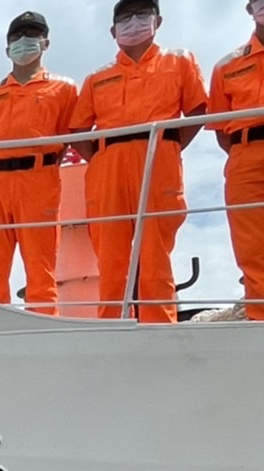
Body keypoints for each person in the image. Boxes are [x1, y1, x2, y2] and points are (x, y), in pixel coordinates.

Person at [71, 1, 208, 322]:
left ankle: (158, 326)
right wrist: (102, 158)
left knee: (155, 254)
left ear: (157, 21)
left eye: (142, 14)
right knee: (110, 257)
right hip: (108, 169)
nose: (134, 22)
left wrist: (169, 147)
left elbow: (198, 111)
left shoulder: (179, 61)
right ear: (113, 30)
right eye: (125, 17)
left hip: (158, 161)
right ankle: (112, 328)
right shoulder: (97, 78)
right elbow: (77, 129)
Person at [0, 12, 78, 313]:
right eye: (16, 36)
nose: (23, 41)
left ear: (45, 43)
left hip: (38, 180)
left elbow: (70, 135)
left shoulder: (64, 89)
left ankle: (43, 329)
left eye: (31, 34)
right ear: (7, 49)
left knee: (41, 269)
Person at [208, 1, 264, 321]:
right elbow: (220, 128)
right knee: (251, 244)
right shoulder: (226, 66)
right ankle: (260, 316)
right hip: (245, 153)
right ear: (249, 9)